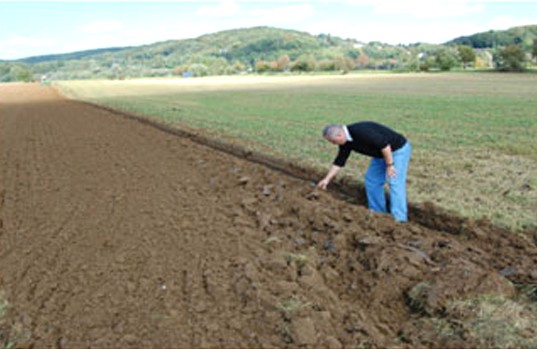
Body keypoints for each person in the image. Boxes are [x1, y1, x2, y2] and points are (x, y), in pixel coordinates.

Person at [317, 121, 411, 222]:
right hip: (380, 154)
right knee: (371, 180)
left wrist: (390, 165)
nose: (334, 144)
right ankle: (378, 213)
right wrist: (326, 179)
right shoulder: (346, 142)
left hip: (397, 150)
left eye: (333, 141)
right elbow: (340, 161)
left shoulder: (361, 131)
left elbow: (385, 145)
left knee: (394, 181)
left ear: (340, 135)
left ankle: (399, 219)